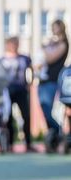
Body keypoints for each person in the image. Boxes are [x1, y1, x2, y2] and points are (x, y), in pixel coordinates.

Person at [37, 19, 69, 153]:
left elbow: (50, 58)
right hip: (43, 80)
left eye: (55, 27)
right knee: (44, 110)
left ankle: (59, 132)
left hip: (52, 81)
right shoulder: (53, 43)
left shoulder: (63, 44)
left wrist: (44, 48)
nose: (53, 30)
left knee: (47, 109)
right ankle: (53, 137)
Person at [1, 36, 35, 152]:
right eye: (12, 44)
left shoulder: (24, 58)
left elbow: (31, 69)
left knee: (26, 116)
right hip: (8, 91)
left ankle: (28, 143)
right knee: (9, 117)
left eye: (16, 43)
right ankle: (10, 143)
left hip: (21, 91)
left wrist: (30, 82)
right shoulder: (2, 59)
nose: (14, 46)